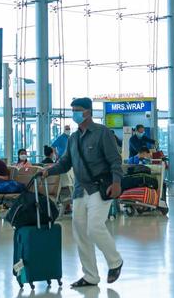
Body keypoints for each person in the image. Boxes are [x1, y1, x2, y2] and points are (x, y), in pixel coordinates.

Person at [40, 97, 123, 288]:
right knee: (80, 232)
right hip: (80, 190)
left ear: (88, 111)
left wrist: (117, 182)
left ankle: (115, 261)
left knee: (94, 227)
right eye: (73, 110)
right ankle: (90, 276)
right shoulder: (73, 139)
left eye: (77, 110)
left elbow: (115, 161)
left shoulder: (103, 133)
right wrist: (48, 170)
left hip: (100, 188)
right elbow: (65, 163)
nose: (74, 114)